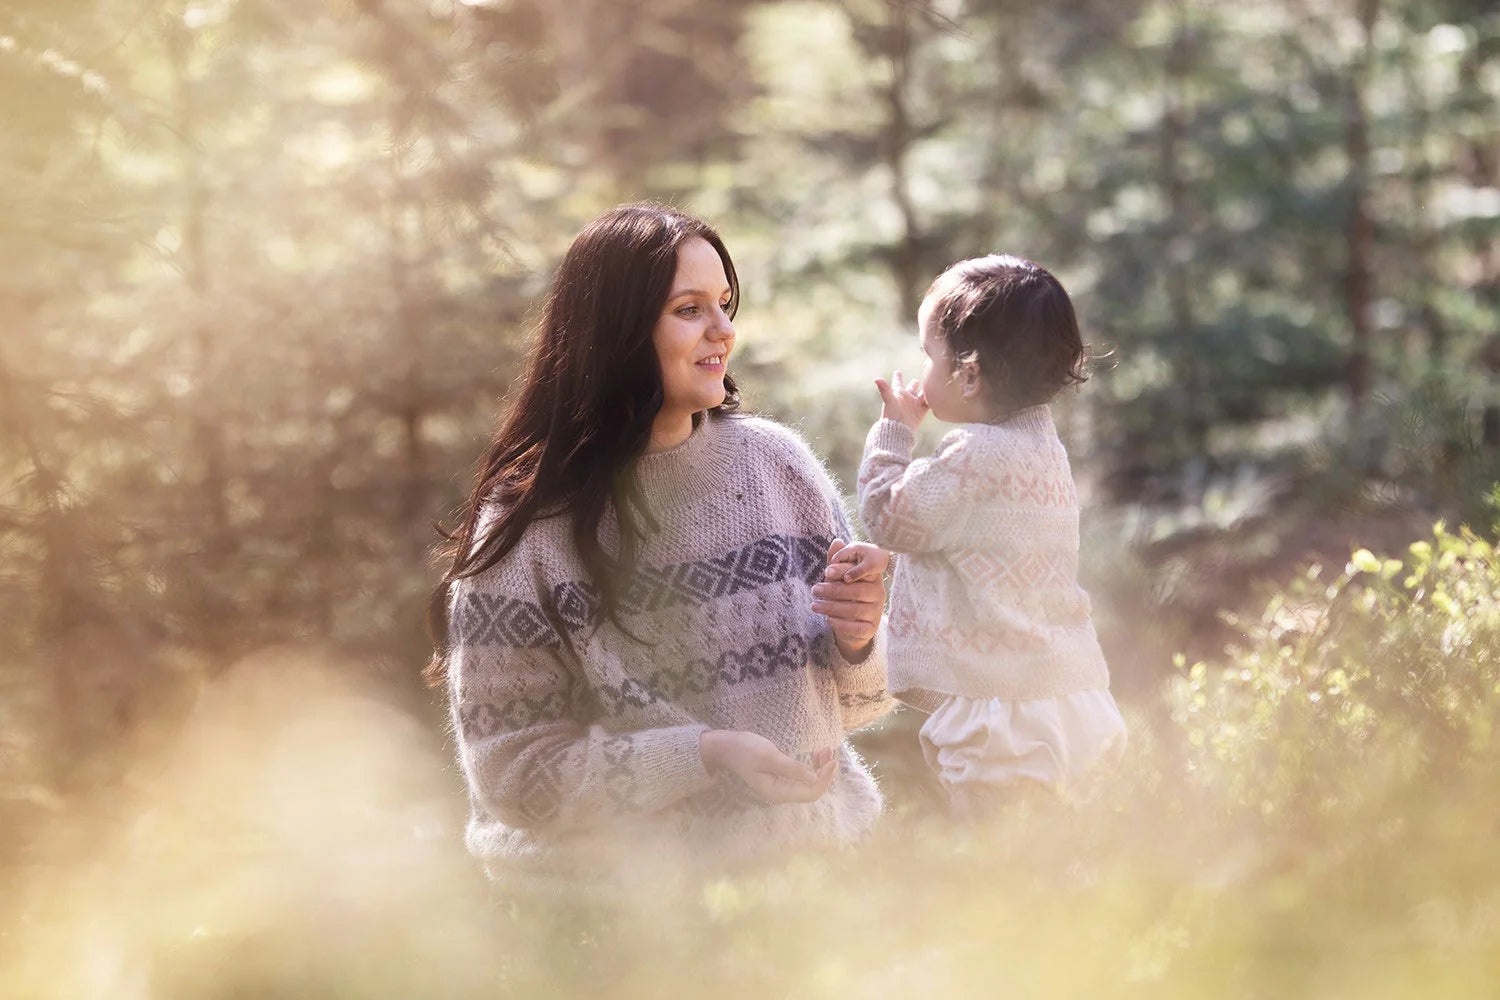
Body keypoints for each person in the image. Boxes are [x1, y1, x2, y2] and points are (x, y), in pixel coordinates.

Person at [426, 203, 894, 897]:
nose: (723, 331)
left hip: (810, 883)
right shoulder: (526, 533)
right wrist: (703, 755)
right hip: (625, 917)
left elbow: (851, 711)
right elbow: (517, 777)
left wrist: (858, 639)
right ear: (617, 332)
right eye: (689, 309)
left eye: (726, 304)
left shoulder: (779, 467)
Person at [856, 254, 1126, 815]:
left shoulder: (974, 453)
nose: (922, 370)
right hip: (1072, 694)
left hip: (1002, 712)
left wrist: (894, 435)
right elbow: (979, 546)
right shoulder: (1042, 451)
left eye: (929, 354)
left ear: (969, 374)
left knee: (1003, 863)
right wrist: (891, 560)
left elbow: (886, 513)